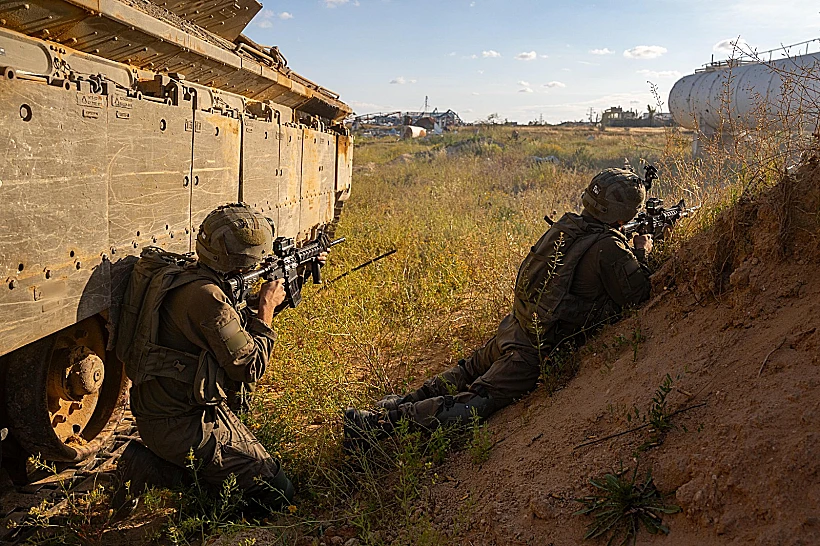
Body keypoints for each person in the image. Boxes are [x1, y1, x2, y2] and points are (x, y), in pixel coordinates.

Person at [344, 168, 654, 443]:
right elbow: (637, 294)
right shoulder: (609, 247)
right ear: (624, 215)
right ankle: (378, 425)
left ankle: (399, 404)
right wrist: (641, 251)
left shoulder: (568, 226)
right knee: (478, 401)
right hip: (535, 348)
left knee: (466, 370)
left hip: (515, 327)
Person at [115, 203, 324, 514]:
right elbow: (249, 366)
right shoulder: (208, 298)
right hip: (180, 423)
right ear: (240, 263)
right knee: (275, 495)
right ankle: (147, 468)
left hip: (175, 408)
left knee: (264, 477)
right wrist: (266, 309)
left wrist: (298, 274)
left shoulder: (196, 277)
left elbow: (234, 324)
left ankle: (171, 469)